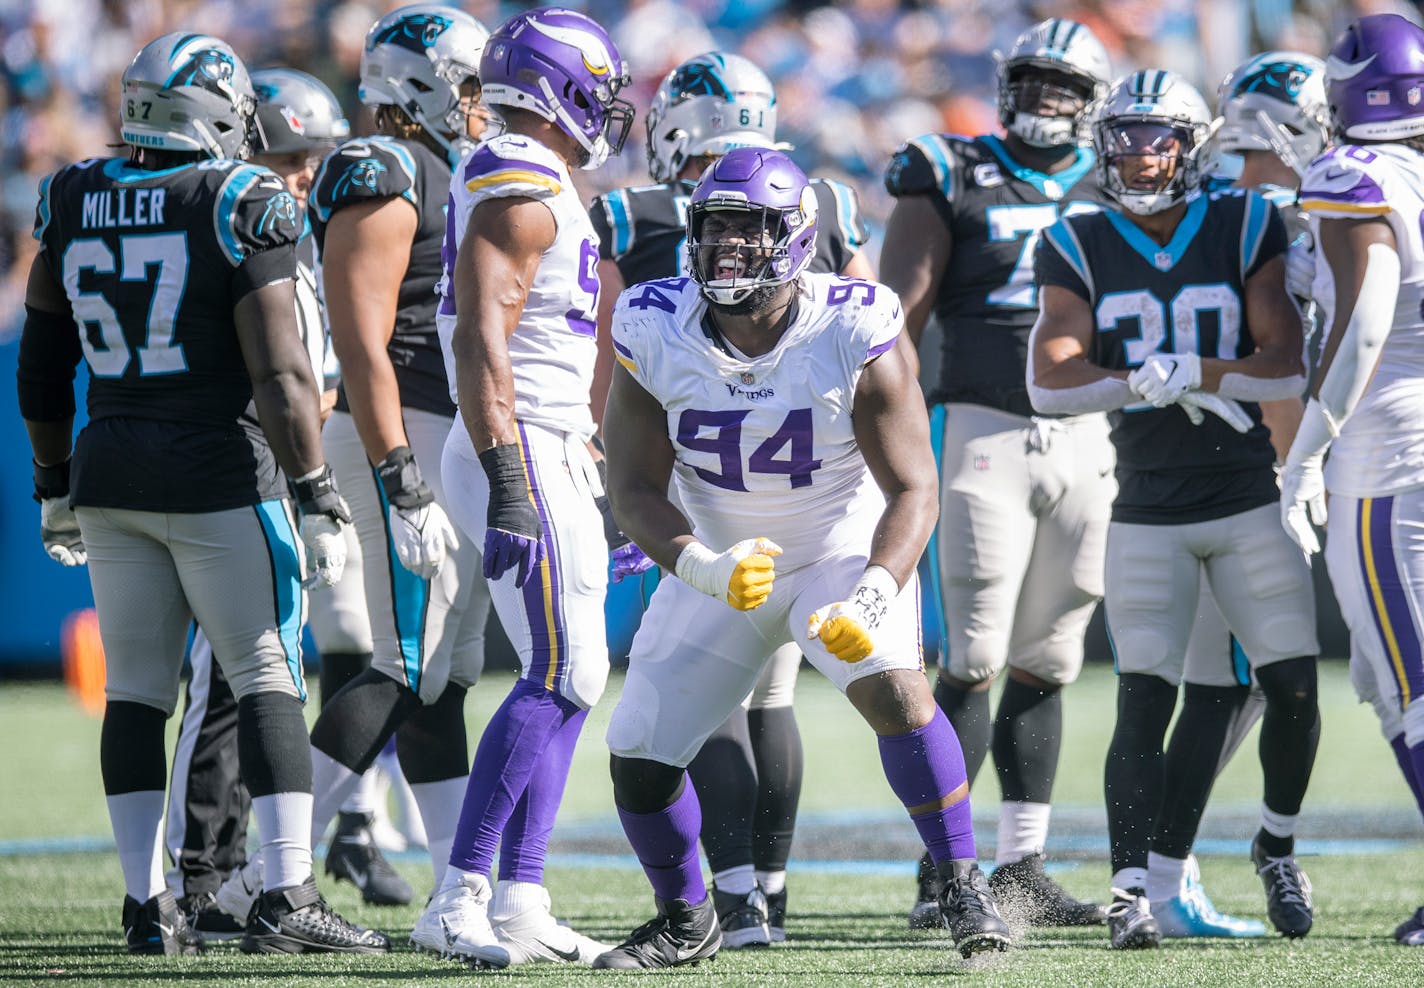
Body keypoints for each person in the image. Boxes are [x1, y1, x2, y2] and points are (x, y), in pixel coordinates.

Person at [16, 32, 387, 954]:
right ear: (218, 112)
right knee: (267, 674)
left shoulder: (71, 193)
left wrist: (52, 481)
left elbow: (40, 363)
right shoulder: (241, 197)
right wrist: (315, 489)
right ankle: (288, 893)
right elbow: (283, 373)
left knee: (137, 691)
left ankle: (148, 906)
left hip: (109, 470)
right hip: (220, 470)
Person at [595, 146, 1011, 969]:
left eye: (748, 230)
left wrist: (874, 593)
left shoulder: (851, 323)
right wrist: (698, 565)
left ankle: (962, 881)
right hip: (721, 561)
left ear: (792, 238)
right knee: (638, 750)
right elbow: (635, 489)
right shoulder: (652, 322)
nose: (727, 248)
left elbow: (913, 488)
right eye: (714, 229)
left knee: (897, 688)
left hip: (837, 550)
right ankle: (687, 918)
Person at [216, 5, 498, 922]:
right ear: (421, 83)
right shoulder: (385, 166)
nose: (478, 100)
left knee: (444, 675)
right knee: (405, 659)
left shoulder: (443, 166)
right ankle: (261, 879)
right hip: (401, 425)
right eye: (465, 81)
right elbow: (365, 339)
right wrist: (399, 471)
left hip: (438, 428)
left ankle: (458, 892)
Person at [1029, 68, 1321, 949]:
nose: (1134, 151)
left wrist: (1197, 372)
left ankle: (1275, 843)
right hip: (1147, 503)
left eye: (1154, 135)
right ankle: (1132, 895)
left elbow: (1287, 363)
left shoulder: (1244, 222)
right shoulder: (1078, 238)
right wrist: (1130, 382)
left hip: (1246, 494)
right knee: (1144, 698)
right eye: (1120, 134)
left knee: (1294, 691)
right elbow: (1048, 379)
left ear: (1192, 144)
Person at [588, 50, 873, 948]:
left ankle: (742, 895)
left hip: (695, 471)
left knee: (699, 691)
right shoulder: (813, 200)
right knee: (763, 695)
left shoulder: (631, 212)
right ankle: (762, 897)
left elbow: (609, 356)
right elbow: (868, 312)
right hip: (788, 469)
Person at [161, 66, 419, 929]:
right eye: (287, 156)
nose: (305, 176)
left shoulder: (304, 234)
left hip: (298, 469)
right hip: (241, 471)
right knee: (230, 681)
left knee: (312, 657)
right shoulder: (223, 226)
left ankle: (324, 838)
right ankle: (201, 875)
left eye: (313, 158)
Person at [879, 17, 1110, 930]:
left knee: (1049, 659)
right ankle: (948, 871)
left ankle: (1022, 867)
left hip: (1091, 432)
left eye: (1066, 86)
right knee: (972, 657)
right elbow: (896, 314)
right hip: (980, 426)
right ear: (1009, 84)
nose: (1048, 99)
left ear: (1091, 104)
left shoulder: (1113, 182)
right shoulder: (950, 167)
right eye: (1035, 81)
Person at [413, 6, 632, 968]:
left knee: (579, 672)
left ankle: (521, 896)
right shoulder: (517, 174)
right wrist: (507, 471)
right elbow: (479, 337)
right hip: (519, 442)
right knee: (555, 669)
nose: (606, 110)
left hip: (552, 443)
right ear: (562, 85)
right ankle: (455, 898)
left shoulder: (538, 174)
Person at [1283, 12, 1424, 947]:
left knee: (1408, 679)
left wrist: (1307, 453)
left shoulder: (1358, 178)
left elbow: (1367, 318)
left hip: (1391, 457)